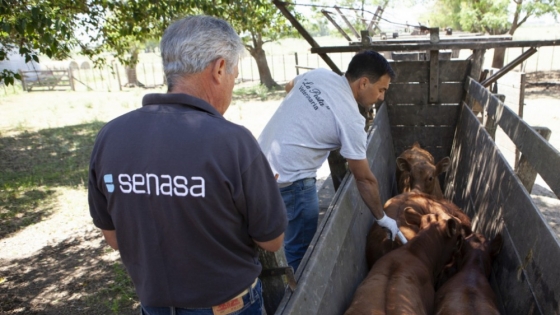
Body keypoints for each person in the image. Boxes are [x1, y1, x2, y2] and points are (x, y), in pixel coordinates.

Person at [88, 15, 287, 315]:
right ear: (220, 68)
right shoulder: (234, 142)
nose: (232, 84)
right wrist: (262, 195)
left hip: (154, 306)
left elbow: (113, 237)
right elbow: (272, 241)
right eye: (234, 74)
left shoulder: (111, 136)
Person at [258, 50, 398, 272]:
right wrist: (382, 218)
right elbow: (364, 179)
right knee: (300, 252)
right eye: (381, 90)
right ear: (363, 83)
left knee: (260, 239)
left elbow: (289, 87)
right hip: (293, 182)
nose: (381, 97)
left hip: (257, 166)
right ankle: (298, 302)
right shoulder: (352, 120)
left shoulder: (320, 75)